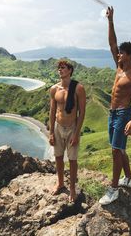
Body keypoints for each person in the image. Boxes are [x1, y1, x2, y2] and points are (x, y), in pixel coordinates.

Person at [99, 6, 131, 205]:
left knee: (116, 151)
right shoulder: (119, 68)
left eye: (122, 52)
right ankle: (129, 178)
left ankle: (114, 189)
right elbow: (112, 43)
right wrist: (110, 21)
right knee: (118, 148)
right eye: (119, 52)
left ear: (129, 56)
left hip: (123, 114)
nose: (118, 54)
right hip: (112, 113)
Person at [49, 60, 86, 202]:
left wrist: (76, 133)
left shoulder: (78, 88)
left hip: (72, 128)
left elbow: (82, 113)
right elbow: (52, 111)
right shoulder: (54, 89)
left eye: (63, 68)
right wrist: (51, 132)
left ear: (70, 70)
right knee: (58, 156)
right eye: (58, 68)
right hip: (58, 127)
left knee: (72, 160)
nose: (60, 70)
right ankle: (60, 183)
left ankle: (71, 188)